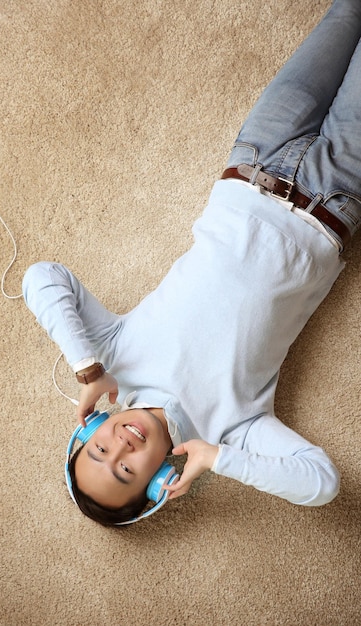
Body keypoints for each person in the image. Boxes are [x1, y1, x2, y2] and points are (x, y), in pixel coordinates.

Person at [23, 0, 361, 526]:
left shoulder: (113, 357)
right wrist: (219, 459)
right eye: (126, 472)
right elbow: (321, 482)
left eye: (96, 450)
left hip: (254, 157)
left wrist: (87, 366)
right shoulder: (232, 429)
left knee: (344, 17)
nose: (118, 449)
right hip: (335, 194)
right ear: (160, 480)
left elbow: (43, 277)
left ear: (88, 431)